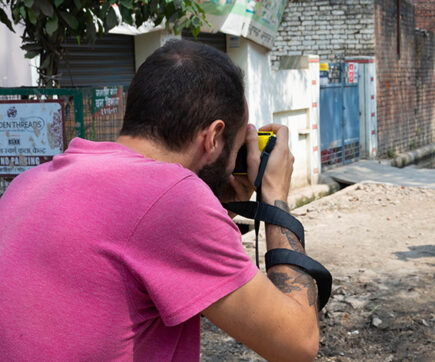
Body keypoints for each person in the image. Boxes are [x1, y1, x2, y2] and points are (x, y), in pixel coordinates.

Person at [0, 40, 319, 360]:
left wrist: (218, 209)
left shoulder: (30, 181)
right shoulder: (174, 201)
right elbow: (298, 344)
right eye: (236, 149)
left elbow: (135, 247)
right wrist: (275, 196)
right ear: (213, 138)